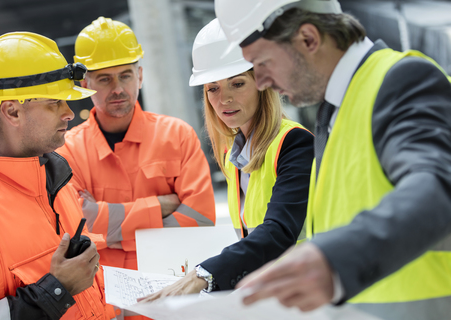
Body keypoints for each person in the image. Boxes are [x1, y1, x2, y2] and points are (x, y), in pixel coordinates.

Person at [214, 0, 451, 319]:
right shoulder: (335, 109)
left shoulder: (402, 80)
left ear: (308, 39)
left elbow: (437, 188)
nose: (262, 82)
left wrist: (333, 261)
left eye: (262, 62)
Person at [140, 18, 314, 300]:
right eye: (213, 88)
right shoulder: (234, 155)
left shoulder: (295, 143)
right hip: (267, 297)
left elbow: (279, 231)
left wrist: (205, 275)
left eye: (237, 84)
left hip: (305, 297)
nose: (224, 99)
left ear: (263, 83)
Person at [55, 17, 216, 318]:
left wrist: (110, 226)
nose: (118, 88)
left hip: (170, 292)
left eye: (125, 75)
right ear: (84, 84)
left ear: (140, 76)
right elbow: (75, 227)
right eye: (104, 79)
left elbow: (200, 218)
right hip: (103, 299)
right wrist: (159, 205)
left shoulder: (177, 136)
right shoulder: (68, 150)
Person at [0, 32, 115, 320]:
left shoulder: (58, 185)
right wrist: (56, 290)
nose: (69, 113)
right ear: (12, 111)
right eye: (54, 102)